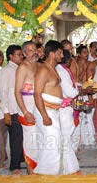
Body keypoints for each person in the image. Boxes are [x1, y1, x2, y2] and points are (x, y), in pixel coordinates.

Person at [33, 40, 65, 175]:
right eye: (60, 52)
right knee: (53, 147)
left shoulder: (53, 68)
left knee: (53, 146)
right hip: (46, 112)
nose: (62, 55)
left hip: (53, 111)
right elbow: (37, 94)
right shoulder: (44, 69)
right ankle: (48, 176)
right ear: (52, 53)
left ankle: (49, 174)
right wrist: (45, 116)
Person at [14, 41, 40, 174]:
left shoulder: (38, 65)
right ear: (24, 53)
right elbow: (17, 91)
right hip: (28, 110)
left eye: (34, 49)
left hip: (39, 109)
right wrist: (25, 112)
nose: (33, 52)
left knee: (40, 142)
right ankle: (31, 175)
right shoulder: (23, 67)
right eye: (29, 50)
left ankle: (39, 172)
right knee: (31, 144)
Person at [0, 45, 24, 174]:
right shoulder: (7, 70)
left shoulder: (19, 69)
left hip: (20, 108)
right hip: (12, 109)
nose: (21, 56)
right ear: (11, 56)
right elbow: (3, 92)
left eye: (21, 54)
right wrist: (6, 112)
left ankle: (20, 159)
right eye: (18, 54)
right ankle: (14, 166)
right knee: (15, 138)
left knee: (21, 136)